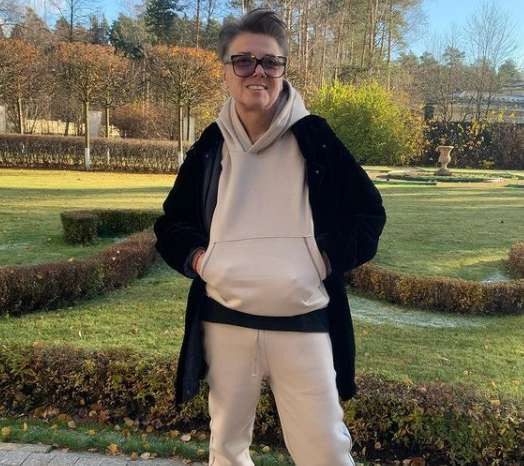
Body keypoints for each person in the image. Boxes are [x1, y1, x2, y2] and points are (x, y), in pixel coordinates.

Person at [154, 8, 387, 466]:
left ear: (282, 69)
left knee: (326, 452)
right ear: (226, 71)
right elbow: (172, 225)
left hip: (303, 325)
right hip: (225, 324)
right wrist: (204, 262)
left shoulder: (316, 139)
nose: (257, 72)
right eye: (243, 61)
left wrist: (319, 260)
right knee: (226, 450)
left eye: (270, 62)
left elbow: (368, 214)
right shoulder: (211, 145)